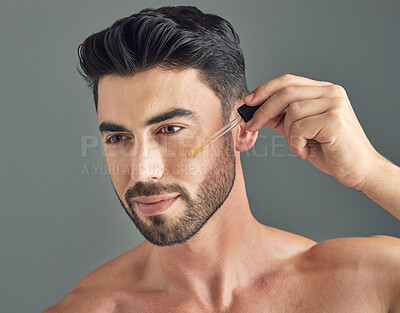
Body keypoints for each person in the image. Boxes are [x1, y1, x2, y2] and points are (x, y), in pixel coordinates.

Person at [44, 5, 400, 312]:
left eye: (169, 130)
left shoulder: (366, 284)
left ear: (243, 128)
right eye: (118, 138)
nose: (141, 171)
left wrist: (371, 172)